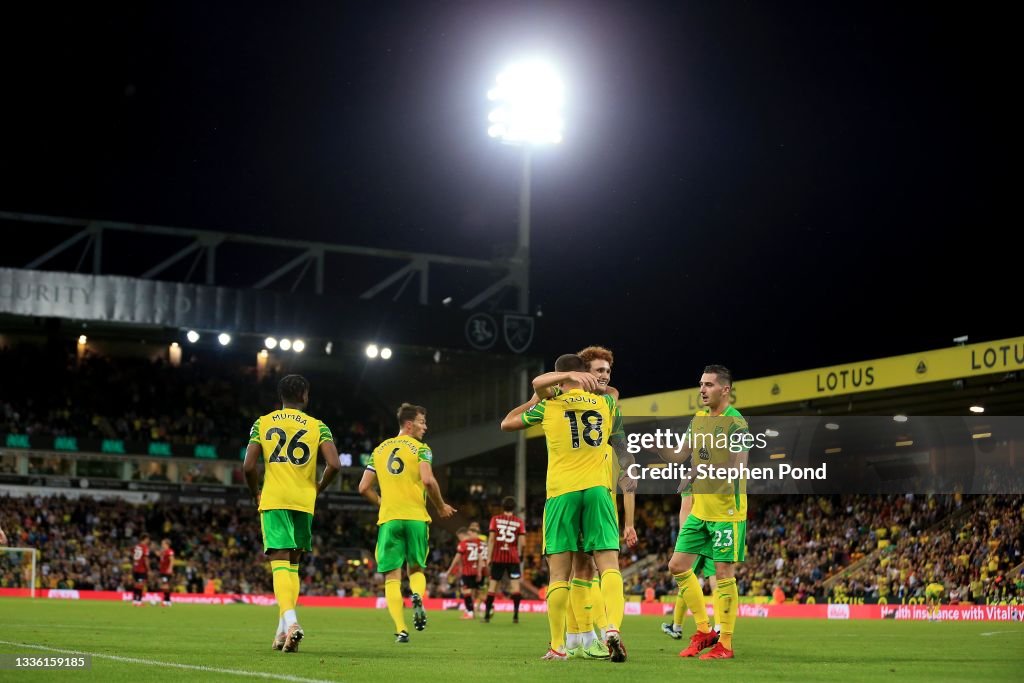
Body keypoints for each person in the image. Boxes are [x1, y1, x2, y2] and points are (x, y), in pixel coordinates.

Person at [501, 354, 628, 663]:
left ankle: (558, 646)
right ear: (585, 373)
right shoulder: (606, 404)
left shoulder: (549, 405)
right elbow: (613, 393)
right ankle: (612, 627)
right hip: (598, 490)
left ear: (559, 377)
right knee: (608, 566)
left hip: (561, 493)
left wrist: (540, 394)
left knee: (559, 575)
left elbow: (507, 423)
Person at [244, 374, 342, 653]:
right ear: (305, 396)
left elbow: (248, 466)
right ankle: (281, 633)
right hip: (303, 501)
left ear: (280, 397)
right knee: (293, 567)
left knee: (279, 563)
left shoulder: (262, 422)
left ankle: (292, 623)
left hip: (274, 498)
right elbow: (334, 464)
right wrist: (318, 489)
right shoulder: (317, 426)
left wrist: (255, 493)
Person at [659, 365, 750, 660]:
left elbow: (739, 468)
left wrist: (699, 470)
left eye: (709, 384)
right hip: (700, 510)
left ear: (725, 389)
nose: (702, 389)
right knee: (677, 566)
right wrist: (653, 449)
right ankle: (704, 630)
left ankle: (725, 643)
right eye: (701, 384)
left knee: (723, 574)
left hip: (726, 512)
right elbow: (680, 453)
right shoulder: (697, 420)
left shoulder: (738, 425)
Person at [359, 403, 456, 643]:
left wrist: (382, 502)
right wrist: (441, 506)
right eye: (422, 422)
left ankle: (401, 630)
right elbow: (428, 480)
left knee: (392, 577)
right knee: (416, 569)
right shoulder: (422, 449)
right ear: (409, 424)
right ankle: (417, 596)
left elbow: (363, 487)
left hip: (390, 519)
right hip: (415, 518)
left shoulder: (379, 450)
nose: (426, 427)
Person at [661, 486, 719, 640]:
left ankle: (677, 626)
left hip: (697, 536)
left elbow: (686, 506)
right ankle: (719, 627)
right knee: (716, 584)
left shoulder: (691, 477)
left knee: (685, 579)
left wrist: (683, 539)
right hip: (714, 532)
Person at [484, 496, 527, 623]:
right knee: (515, 587)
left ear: (502, 507)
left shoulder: (495, 520)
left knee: (492, 587)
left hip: (497, 557)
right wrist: (521, 555)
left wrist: (489, 557)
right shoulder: (519, 522)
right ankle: (515, 616)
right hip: (513, 558)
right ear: (514, 508)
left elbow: (491, 539)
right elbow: (523, 543)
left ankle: (487, 616)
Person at [446, 527, 484, 619]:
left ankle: (470, 612)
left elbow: (456, 558)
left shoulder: (463, 544)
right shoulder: (475, 544)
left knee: (466, 591)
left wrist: (450, 570)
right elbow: (480, 559)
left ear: (461, 535)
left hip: (467, 571)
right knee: (472, 591)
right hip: (475, 571)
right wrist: (479, 572)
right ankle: (470, 610)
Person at [130, 533, 151, 606]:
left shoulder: (136, 546)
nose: (148, 540)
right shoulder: (145, 547)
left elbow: (133, 555)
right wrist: (148, 569)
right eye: (148, 539)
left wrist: (135, 563)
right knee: (141, 585)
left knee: (136, 584)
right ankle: (139, 601)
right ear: (145, 539)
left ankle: (134, 600)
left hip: (135, 568)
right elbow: (145, 559)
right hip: (141, 569)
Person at [158, 538, 175, 607]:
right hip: (162, 571)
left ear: (167, 544)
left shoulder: (170, 551)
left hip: (166, 571)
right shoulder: (163, 551)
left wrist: (170, 568)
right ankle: (168, 601)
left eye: (163, 543)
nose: (162, 545)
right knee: (164, 585)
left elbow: (172, 560)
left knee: (165, 585)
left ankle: (166, 601)